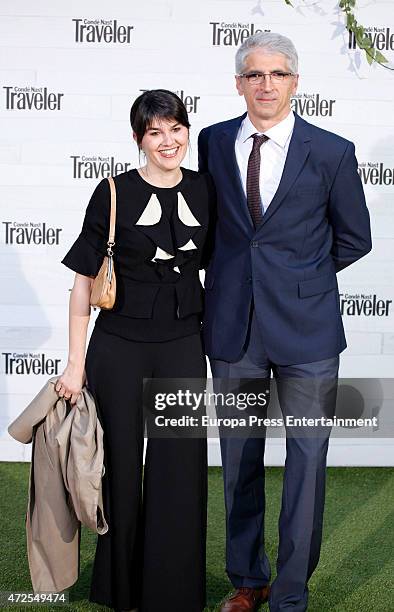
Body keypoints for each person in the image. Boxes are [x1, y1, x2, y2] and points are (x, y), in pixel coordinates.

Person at [198, 32, 372, 612]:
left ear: (295, 83)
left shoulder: (331, 151)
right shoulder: (213, 141)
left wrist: (300, 280)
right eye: (254, 74)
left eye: (276, 74)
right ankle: (249, 581)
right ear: (239, 83)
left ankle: (290, 593)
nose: (265, 84)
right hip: (234, 330)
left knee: (306, 465)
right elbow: (213, 231)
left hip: (308, 334)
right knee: (238, 462)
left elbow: (355, 238)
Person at [56, 89, 215, 612]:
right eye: (155, 132)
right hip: (118, 347)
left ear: (187, 131)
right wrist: (75, 364)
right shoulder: (113, 191)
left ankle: (172, 590)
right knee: (118, 468)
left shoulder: (207, 189)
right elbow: (83, 283)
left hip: (184, 343)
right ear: (138, 139)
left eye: (175, 129)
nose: (168, 141)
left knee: (181, 468)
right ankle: (118, 588)